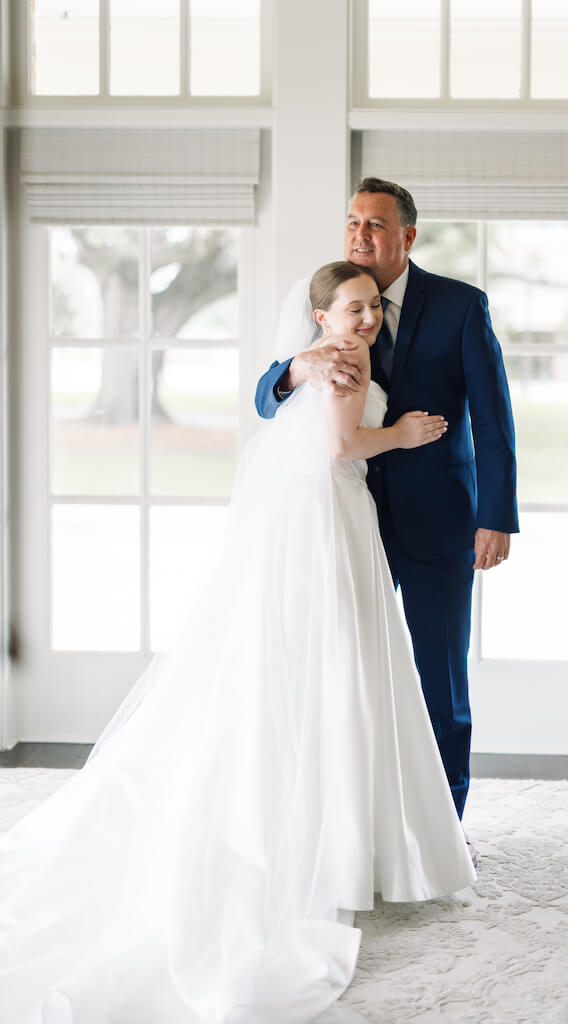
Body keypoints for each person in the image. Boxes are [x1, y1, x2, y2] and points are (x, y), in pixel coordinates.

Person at [0, 261, 476, 1024]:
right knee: (343, 665)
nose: (366, 320)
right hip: (332, 514)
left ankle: (350, 832)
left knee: (331, 666)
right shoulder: (333, 361)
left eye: (370, 309)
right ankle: (344, 846)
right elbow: (335, 445)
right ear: (318, 316)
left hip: (325, 518)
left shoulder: (352, 349)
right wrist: (405, 432)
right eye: (351, 309)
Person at [256, 178, 519, 841]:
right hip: (346, 523)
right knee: (349, 675)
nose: (358, 235)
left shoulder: (461, 306)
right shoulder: (321, 298)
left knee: (439, 683)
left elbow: (492, 420)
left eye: (373, 225)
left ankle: (441, 834)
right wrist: (299, 370)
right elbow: (265, 396)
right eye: (351, 222)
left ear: (406, 236)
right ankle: (353, 826)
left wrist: (495, 517)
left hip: (439, 522)